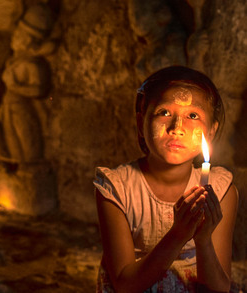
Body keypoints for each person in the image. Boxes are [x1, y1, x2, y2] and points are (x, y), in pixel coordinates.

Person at [94, 66, 238, 293]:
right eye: (164, 112)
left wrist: (203, 240)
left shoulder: (221, 191)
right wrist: (179, 234)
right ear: (142, 122)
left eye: (193, 115)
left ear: (211, 131)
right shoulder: (117, 188)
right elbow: (125, 285)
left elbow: (219, 288)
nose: (176, 128)